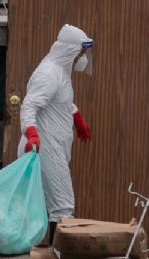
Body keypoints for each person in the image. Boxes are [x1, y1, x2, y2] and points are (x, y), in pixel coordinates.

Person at [18, 24, 93, 240]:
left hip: (53, 144)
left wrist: (77, 118)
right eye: (81, 53)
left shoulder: (60, 72)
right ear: (70, 51)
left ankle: (42, 254)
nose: (83, 58)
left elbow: (61, 102)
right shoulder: (49, 73)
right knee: (63, 206)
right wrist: (32, 133)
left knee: (45, 204)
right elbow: (29, 105)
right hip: (44, 146)